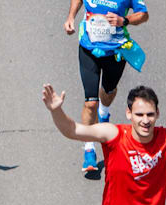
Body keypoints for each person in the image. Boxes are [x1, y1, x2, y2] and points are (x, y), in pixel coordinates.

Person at [63, 0, 148, 173]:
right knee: (90, 103)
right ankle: (89, 149)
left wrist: (124, 20)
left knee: (108, 92)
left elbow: (143, 15)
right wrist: (71, 17)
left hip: (115, 52)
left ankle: (103, 113)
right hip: (88, 49)